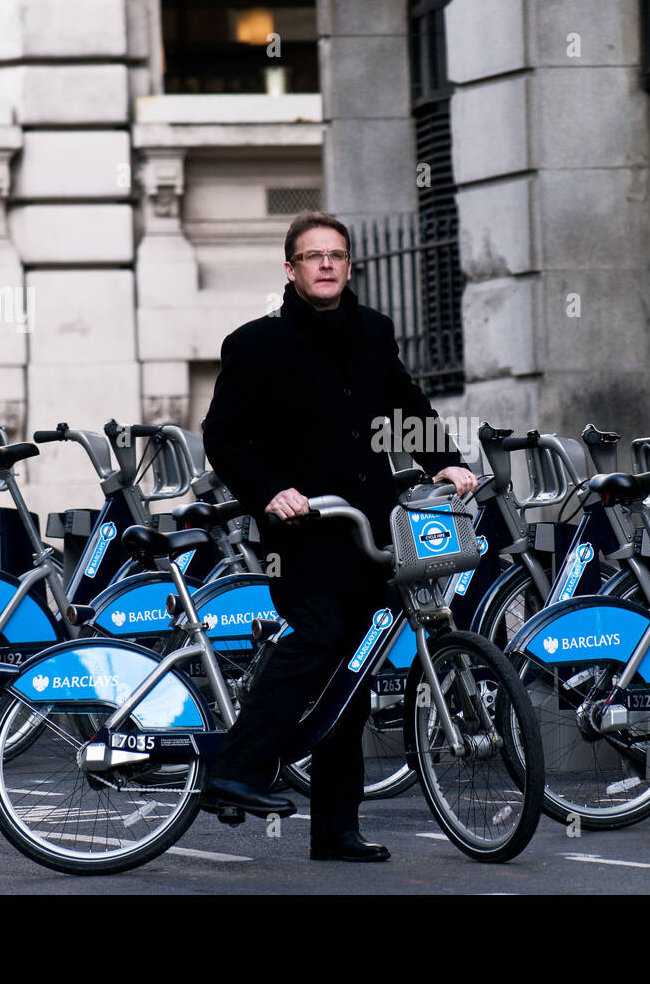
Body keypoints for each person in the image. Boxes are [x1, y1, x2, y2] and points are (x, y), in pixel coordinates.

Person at [200, 211, 476, 861]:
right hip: (304, 528)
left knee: (354, 672)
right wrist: (269, 492)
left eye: (336, 255)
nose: (325, 264)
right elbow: (224, 437)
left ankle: (336, 829)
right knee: (320, 637)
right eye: (311, 255)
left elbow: (408, 409)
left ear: (349, 267)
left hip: (372, 526)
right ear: (291, 270)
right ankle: (236, 767)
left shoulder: (373, 334)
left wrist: (446, 461)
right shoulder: (256, 344)